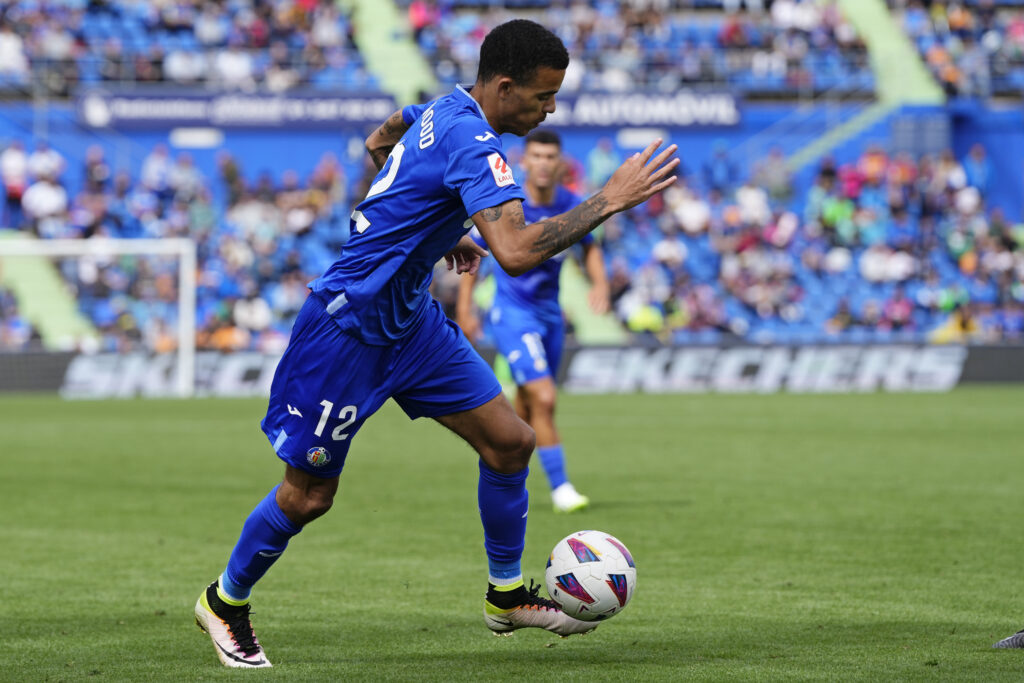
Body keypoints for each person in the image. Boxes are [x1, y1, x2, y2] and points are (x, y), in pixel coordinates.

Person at [193, 19, 678, 669]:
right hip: (347, 330)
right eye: (543, 96)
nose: (550, 109)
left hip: (411, 324)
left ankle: (505, 595)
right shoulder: (477, 142)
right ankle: (225, 601)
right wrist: (609, 199)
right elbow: (514, 250)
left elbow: (385, 135)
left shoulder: (445, 107)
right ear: (504, 88)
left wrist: (429, 226)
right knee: (308, 495)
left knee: (511, 442)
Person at [455, 129, 608, 514]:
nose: (542, 164)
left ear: (560, 164)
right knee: (545, 397)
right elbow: (473, 252)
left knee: (526, 404)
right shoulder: (507, 206)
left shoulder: (571, 204)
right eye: (535, 156)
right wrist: (465, 308)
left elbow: (590, 247)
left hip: (550, 317)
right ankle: (562, 489)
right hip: (512, 315)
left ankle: (499, 469)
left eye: (549, 157)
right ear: (524, 161)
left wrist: (601, 284)